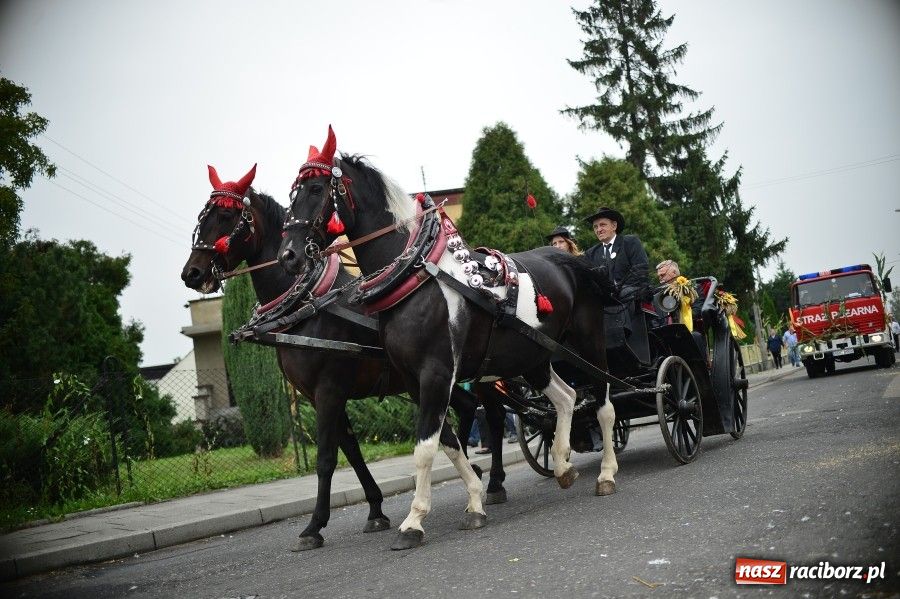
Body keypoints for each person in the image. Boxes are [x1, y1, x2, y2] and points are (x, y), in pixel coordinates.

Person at [583, 207, 649, 303]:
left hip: (633, 301)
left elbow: (641, 272)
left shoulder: (630, 243)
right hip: (604, 303)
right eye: (595, 227)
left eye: (602, 225)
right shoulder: (591, 254)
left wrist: (618, 290)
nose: (599, 229)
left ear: (614, 226)